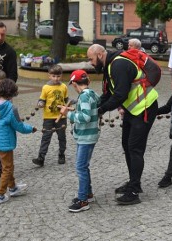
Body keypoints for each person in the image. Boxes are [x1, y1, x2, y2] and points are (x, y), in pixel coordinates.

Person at [87, 43, 159, 205]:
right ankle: (134, 182)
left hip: (145, 108)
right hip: (133, 110)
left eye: (91, 59)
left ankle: (134, 191)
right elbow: (109, 92)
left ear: (99, 55)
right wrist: (95, 106)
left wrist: (101, 110)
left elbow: (119, 95)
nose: (90, 63)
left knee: (135, 148)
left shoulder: (118, 65)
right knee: (126, 145)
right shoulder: (110, 66)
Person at [0, 78, 36, 204]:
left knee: (7, 165)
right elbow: (19, 126)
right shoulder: (10, 108)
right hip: (5, 143)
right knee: (7, 168)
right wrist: (31, 129)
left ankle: (13, 188)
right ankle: (0, 195)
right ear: (11, 94)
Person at [60, 69, 100, 212]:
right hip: (90, 135)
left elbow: (85, 117)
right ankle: (88, 194)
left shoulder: (83, 96)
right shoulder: (92, 94)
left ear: (75, 84)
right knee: (84, 166)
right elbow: (92, 109)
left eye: (73, 86)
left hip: (86, 136)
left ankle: (83, 201)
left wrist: (68, 114)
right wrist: (74, 110)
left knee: (80, 167)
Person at [33, 64, 69, 166]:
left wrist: (70, 103)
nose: (56, 78)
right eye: (54, 76)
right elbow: (42, 99)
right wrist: (40, 104)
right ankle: (41, 157)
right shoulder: (46, 87)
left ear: (61, 76)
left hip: (61, 117)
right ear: (49, 76)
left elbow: (66, 100)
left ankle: (61, 154)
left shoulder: (64, 87)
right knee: (46, 137)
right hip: (48, 117)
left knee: (62, 137)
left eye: (58, 76)